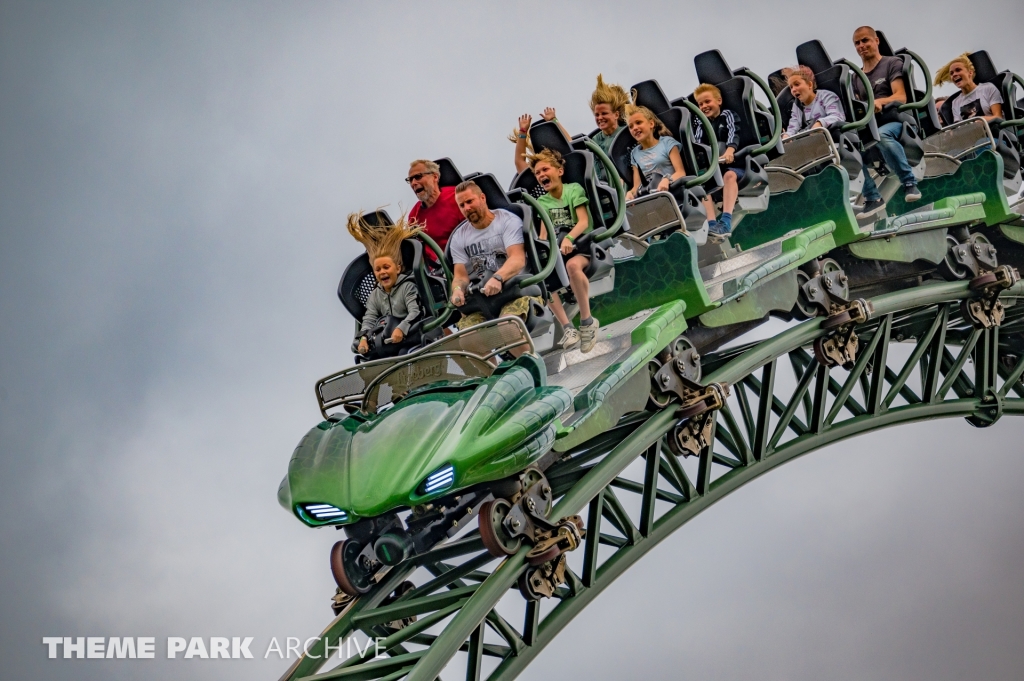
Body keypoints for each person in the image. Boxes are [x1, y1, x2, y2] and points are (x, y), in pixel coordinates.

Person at [521, 147, 601, 352]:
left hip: (582, 244)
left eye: (545, 170)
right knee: (544, 281)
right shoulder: (541, 202)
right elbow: (543, 235)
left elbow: (583, 221)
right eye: (538, 173)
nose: (541, 175)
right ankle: (568, 328)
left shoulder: (573, 189)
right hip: (559, 250)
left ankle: (587, 322)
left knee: (573, 266)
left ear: (559, 171)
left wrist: (570, 238)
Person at [448, 180, 538, 331]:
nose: (467, 208)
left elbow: (517, 259)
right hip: (485, 298)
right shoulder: (459, 236)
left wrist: (498, 277)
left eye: (470, 201)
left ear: (482, 198)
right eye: (462, 205)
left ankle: (528, 355)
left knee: (507, 328)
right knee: (467, 339)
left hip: (515, 290)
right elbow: (460, 277)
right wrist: (457, 289)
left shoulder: (507, 221)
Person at [851, 25, 922, 211]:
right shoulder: (855, 78)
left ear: (876, 41)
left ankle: (909, 183)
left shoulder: (891, 63)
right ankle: (873, 198)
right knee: (849, 150)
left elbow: (901, 96)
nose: (861, 46)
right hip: (870, 128)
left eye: (865, 40)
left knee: (882, 135)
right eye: (857, 43)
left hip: (897, 122)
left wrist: (881, 102)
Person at [347, 214, 423, 357]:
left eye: (386, 267)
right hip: (388, 340)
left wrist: (402, 328)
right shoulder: (375, 295)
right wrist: (363, 339)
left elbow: (415, 312)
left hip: (410, 336)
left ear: (398, 269)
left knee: (404, 354)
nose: (382, 272)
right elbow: (369, 319)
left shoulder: (407, 287)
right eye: (378, 270)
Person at [692, 83, 744, 239]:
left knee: (729, 176)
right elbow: (699, 144)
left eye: (707, 102)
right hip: (715, 171)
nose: (704, 106)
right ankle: (713, 225)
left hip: (736, 166)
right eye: (700, 104)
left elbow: (734, 132)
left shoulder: (727, 115)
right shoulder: (701, 123)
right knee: (701, 186)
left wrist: (730, 150)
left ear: (719, 101)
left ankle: (726, 221)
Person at [623, 104, 687, 201]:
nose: (635, 128)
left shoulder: (667, 143)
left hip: (673, 193)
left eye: (638, 122)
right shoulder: (634, 153)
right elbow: (636, 186)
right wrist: (630, 193)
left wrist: (667, 180)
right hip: (653, 198)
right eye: (631, 127)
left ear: (651, 124)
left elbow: (681, 172)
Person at [406, 159, 463, 267]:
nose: (413, 183)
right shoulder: (414, 215)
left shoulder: (457, 197)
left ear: (435, 177)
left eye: (418, 177)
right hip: (440, 272)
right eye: (410, 180)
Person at [934, 53, 1003, 125]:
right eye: (951, 73)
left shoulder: (988, 89)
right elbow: (958, 127)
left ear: (970, 72)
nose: (954, 74)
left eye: (958, 70)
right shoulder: (955, 102)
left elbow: (998, 117)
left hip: (992, 132)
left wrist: (981, 121)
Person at [781, 66, 847, 138]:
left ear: (809, 85)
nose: (793, 90)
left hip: (832, 139)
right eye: (791, 87)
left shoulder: (827, 96)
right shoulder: (797, 106)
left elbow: (837, 116)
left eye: (797, 84)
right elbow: (793, 127)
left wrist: (820, 123)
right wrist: (787, 136)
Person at [589, 74, 631, 184]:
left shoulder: (628, 132)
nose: (600, 118)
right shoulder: (594, 141)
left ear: (616, 115)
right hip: (607, 187)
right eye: (597, 115)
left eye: (604, 113)